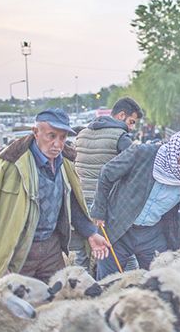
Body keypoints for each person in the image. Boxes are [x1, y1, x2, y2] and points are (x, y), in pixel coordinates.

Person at [0, 109, 111, 290]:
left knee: (59, 300)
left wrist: (91, 233)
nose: (57, 144)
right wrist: (0, 261)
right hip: (20, 250)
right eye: (51, 136)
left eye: (62, 137)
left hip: (51, 248)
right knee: (18, 308)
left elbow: (72, 202)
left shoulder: (65, 163)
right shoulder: (10, 165)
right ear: (35, 132)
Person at [92, 130, 180, 278]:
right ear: (176, 151)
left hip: (152, 234)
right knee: (109, 281)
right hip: (119, 226)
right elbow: (106, 173)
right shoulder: (142, 154)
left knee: (161, 280)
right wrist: (99, 211)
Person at [74, 97, 143, 271]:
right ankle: (129, 285)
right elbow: (135, 169)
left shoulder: (82, 134)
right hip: (106, 206)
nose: (132, 127)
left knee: (84, 252)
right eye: (131, 122)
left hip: (81, 203)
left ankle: (78, 289)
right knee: (121, 251)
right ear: (121, 115)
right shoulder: (121, 137)